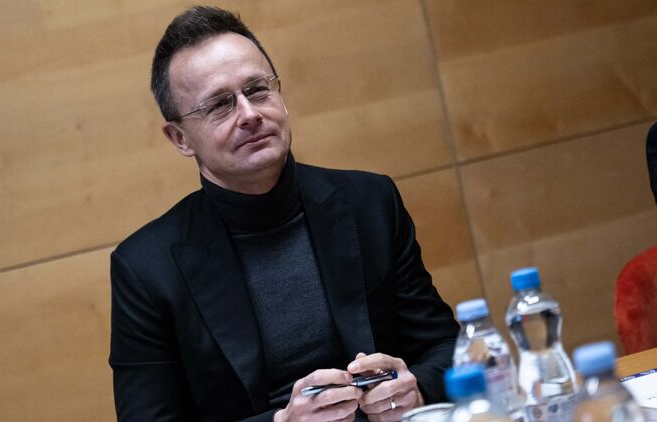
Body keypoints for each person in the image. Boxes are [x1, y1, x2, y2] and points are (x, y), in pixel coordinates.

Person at [109, 6, 459, 421]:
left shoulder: (369, 201)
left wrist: (416, 388)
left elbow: (447, 348)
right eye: (219, 105)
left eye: (258, 90)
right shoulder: (146, 269)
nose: (250, 114)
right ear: (180, 138)